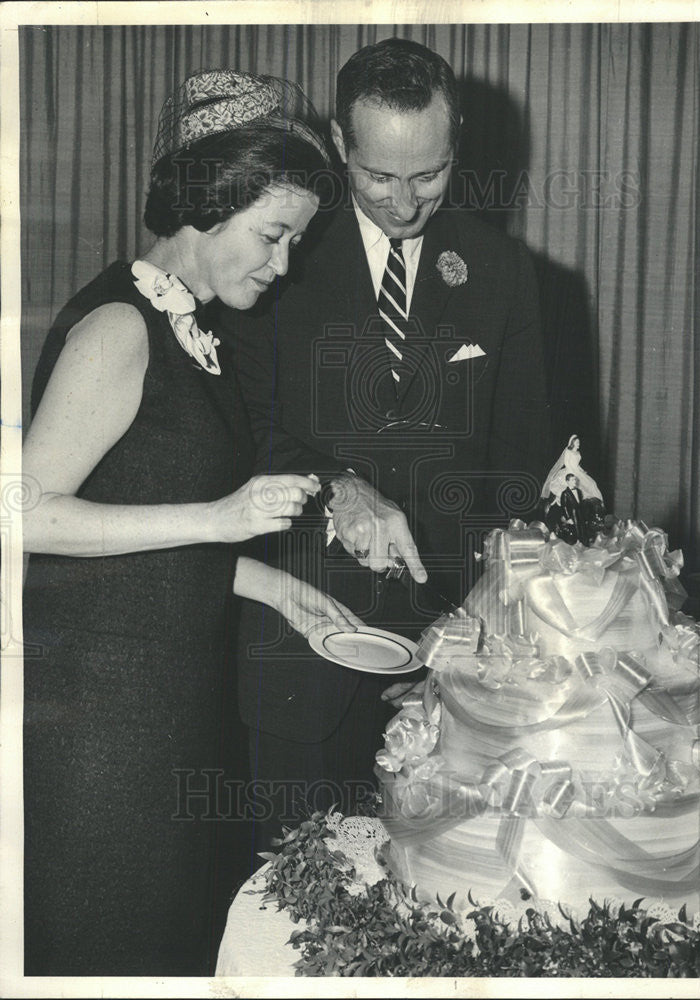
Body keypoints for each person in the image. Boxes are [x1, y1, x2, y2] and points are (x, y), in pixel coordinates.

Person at [22, 69, 362, 977]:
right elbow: (24, 514)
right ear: (206, 207)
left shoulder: (193, 332)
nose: (282, 263)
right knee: (111, 948)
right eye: (271, 235)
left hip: (162, 702)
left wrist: (278, 588)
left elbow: (135, 517)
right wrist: (221, 520)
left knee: (168, 946)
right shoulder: (120, 329)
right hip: (95, 724)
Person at [212, 38, 553, 849]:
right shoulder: (271, 253)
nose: (403, 204)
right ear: (339, 144)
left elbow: (523, 462)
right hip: (298, 650)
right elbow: (237, 428)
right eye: (377, 176)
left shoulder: (502, 272)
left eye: (427, 176)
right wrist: (339, 484)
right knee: (298, 893)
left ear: (457, 143)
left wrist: (484, 630)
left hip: (451, 662)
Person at [541, 433, 603, 503]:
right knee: (571, 487)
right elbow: (567, 463)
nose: (579, 444)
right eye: (577, 442)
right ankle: (559, 501)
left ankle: (596, 503)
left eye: (579, 442)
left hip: (577, 471)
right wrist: (574, 472)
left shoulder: (578, 453)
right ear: (573, 443)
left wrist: (582, 471)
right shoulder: (568, 451)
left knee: (591, 484)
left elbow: (577, 465)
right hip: (570, 471)